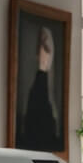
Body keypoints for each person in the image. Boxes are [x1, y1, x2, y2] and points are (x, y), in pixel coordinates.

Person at [18, 24, 61, 152]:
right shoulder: (33, 80)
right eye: (41, 45)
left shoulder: (46, 83)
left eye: (46, 47)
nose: (43, 50)